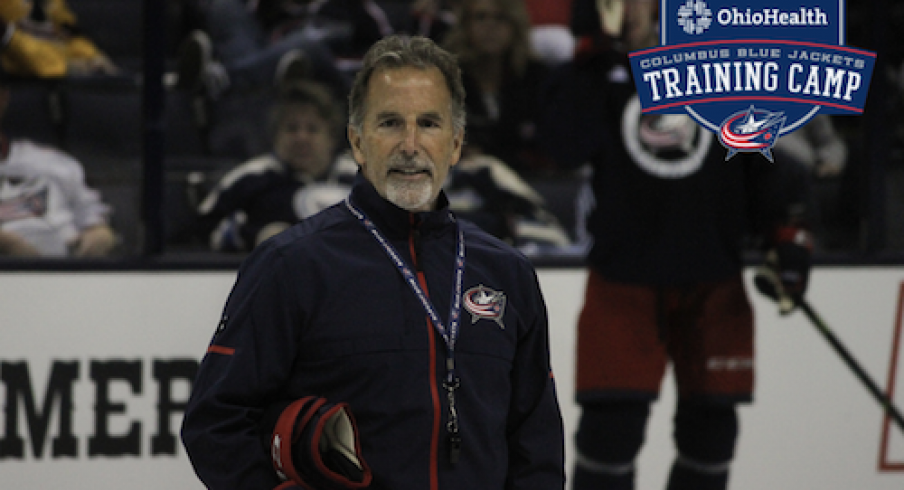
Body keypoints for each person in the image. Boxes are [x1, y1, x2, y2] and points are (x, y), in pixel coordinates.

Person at [181, 34, 565, 490]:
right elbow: (215, 422)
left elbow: (536, 445)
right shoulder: (291, 265)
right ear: (358, 143)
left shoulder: (508, 273)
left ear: (456, 143)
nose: (409, 144)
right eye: (388, 123)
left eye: (428, 123)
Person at [539, 1, 814, 489]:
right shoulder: (596, 70)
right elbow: (562, 146)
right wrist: (598, 59)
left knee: (711, 434)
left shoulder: (722, 68)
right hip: (623, 280)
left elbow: (767, 165)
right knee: (610, 432)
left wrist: (786, 237)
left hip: (713, 281)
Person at [194, 79, 355, 252]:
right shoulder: (250, 178)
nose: (301, 138)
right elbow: (201, 230)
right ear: (276, 136)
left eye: (312, 129)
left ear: (332, 137)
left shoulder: (358, 179)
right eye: (291, 128)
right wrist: (257, 235)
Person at [175, 0, 395, 100]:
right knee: (225, 6)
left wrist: (336, 65)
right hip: (271, 81)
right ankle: (226, 81)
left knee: (307, 46)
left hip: (331, 82)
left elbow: (387, 54)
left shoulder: (351, 7)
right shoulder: (266, 7)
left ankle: (219, 80)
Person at [442, 0, 557, 177]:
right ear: (465, 25)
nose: (490, 26)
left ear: (515, 25)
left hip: (528, 182)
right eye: (480, 17)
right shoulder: (445, 79)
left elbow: (550, 148)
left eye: (501, 18)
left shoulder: (537, 78)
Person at [0, 80, 115, 257]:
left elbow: (94, 220)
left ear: (3, 97)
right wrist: (9, 247)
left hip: (66, 272)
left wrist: (98, 234)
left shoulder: (53, 161)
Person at [0, 0, 118, 78]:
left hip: (61, 75)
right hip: (20, 86)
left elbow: (69, 34)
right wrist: (66, 65)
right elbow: (14, 53)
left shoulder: (54, 3)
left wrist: (92, 56)